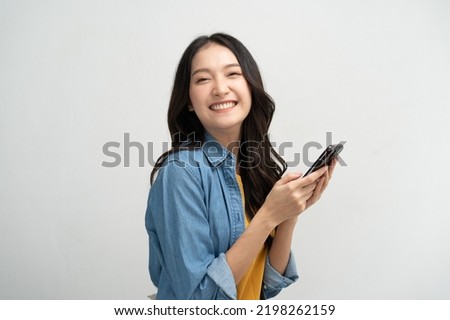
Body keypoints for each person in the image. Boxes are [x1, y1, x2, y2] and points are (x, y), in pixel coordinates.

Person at [145, 33, 337, 300]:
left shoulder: (255, 169)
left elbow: (266, 285)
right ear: (188, 100)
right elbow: (199, 301)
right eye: (203, 79)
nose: (220, 88)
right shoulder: (181, 173)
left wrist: (290, 214)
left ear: (250, 85)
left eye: (232, 74)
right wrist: (268, 215)